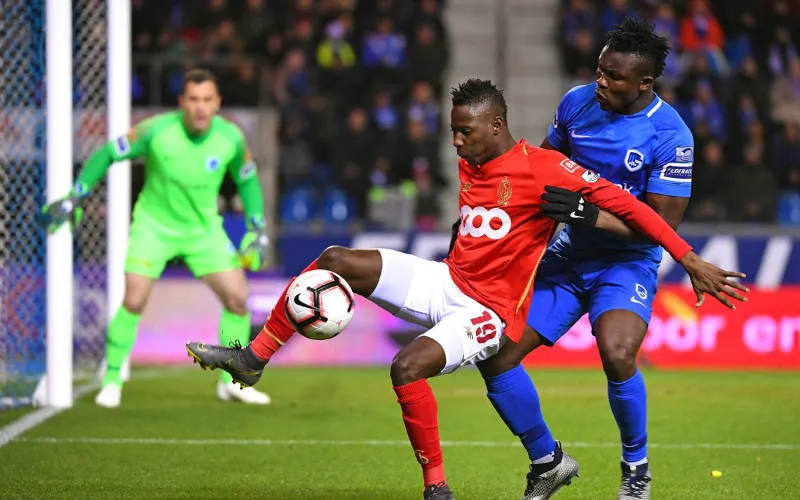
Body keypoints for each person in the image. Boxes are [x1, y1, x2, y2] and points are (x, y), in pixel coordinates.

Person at [185, 79, 747, 500]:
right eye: (452, 130)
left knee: (408, 367)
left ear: (496, 127)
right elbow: (485, 217)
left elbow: (631, 208)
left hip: (487, 310)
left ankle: (438, 488)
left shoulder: (547, 167)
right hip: (446, 279)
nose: (455, 141)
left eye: (466, 132)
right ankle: (254, 359)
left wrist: (688, 257)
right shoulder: (473, 159)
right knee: (334, 260)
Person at [470, 18, 729, 499]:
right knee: (496, 357)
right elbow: (543, 171)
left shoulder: (672, 135)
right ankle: (547, 460)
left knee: (617, 353)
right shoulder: (576, 103)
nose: (601, 82)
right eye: (599, 71)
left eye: (613, 77)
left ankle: (636, 468)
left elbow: (660, 224)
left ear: (644, 83)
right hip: (569, 258)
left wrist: (589, 214)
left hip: (626, 263)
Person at [41, 69, 272, 408]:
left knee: (238, 298)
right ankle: (113, 378)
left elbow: (247, 179)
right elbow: (107, 154)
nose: (200, 108)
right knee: (134, 300)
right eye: (193, 100)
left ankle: (232, 383)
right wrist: (78, 194)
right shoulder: (156, 130)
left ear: (218, 103)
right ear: (182, 102)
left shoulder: (231, 137)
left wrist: (257, 228)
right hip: (154, 227)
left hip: (203, 230)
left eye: (207, 100)